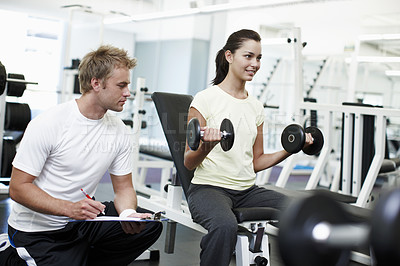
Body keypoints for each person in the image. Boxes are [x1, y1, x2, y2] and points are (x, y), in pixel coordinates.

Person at [0, 45, 162, 265]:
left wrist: (127, 214)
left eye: (128, 86)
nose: (127, 93)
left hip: (81, 221)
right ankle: (12, 253)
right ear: (96, 83)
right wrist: (69, 208)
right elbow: (18, 188)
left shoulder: (120, 130)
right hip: (37, 230)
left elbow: (124, 188)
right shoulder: (50, 123)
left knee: (149, 227)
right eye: (121, 85)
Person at [183, 29, 313, 266]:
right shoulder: (205, 99)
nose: (255, 63)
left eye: (259, 58)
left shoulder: (256, 107)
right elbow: (188, 161)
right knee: (224, 225)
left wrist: (291, 148)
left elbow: (257, 162)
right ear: (229, 56)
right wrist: (207, 147)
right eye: (249, 56)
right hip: (208, 189)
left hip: (247, 190)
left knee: (303, 212)